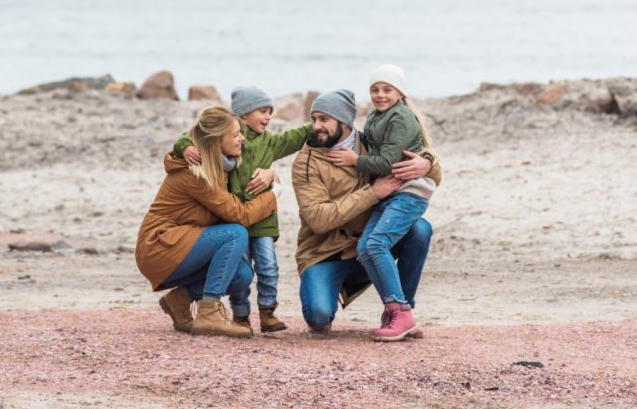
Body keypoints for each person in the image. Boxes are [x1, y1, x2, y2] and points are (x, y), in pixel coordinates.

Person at [291, 90, 442, 340]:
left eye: (324, 119)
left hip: (367, 246)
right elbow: (318, 219)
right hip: (325, 253)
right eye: (314, 119)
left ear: (344, 121)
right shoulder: (306, 163)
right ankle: (328, 287)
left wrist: (429, 164)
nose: (316, 126)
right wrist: (373, 193)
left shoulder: (371, 144)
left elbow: (423, 167)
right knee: (318, 317)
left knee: (419, 229)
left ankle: (401, 312)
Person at [135, 105, 282, 338]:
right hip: (159, 246)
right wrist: (274, 194)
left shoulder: (221, 166)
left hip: (181, 245)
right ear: (215, 141)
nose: (241, 138)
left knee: (241, 275)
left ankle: (180, 299)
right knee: (235, 233)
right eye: (235, 135)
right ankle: (209, 312)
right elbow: (240, 215)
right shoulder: (196, 172)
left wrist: (270, 174)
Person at [173, 86, 312, 333]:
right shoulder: (231, 137)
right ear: (243, 114)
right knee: (242, 272)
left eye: (270, 111)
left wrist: (321, 122)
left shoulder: (271, 143)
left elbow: (296, 136)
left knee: (269, 267)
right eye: (262, 111)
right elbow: (193, 135)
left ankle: (268, 313)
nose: (268, 117)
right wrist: (185, 147)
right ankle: (240, 315)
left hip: (265, 221)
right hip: (235, 222)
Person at [327, 65, 437, 340]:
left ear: (400, 93)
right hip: (390, 194)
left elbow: (388, 161)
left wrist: (355, 161)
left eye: (387, 89)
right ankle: (398, 311)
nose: (380, 94)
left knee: (376, 244)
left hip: (408, 194)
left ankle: (400, 311)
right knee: (366, 247)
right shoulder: (378, 117)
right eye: (375, 89)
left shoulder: (400, 118)